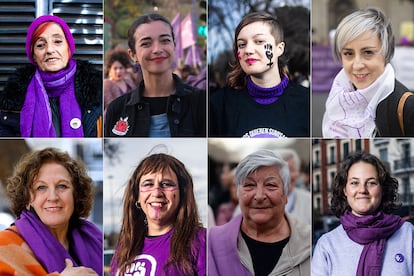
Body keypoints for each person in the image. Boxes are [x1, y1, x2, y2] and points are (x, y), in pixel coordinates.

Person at [0, 147, 102, 275]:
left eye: (62, 186)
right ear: (27, 199)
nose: (53, 197)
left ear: (76, 195)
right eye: (41, 187)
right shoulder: (3, 247)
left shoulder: (96, 238)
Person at [208, 149, 311, 275]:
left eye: (270, 185)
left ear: (285, 195)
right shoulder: (213, 241)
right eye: (250, 185)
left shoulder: (310, 242)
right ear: (238, 193)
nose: (259, 195)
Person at [209, 11, 309, 138]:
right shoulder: (218, 104)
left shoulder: (306, 102)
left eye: (259, 41)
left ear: (279, 48)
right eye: (242, 44)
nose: (248, 50)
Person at [312, 152, 414, 275]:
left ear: (382, 189)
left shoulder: (408, 235)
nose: (362, 190)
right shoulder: (327, 245)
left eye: (371, 182)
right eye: (354, 183)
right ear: (345, 190)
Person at [0, 15, 102, 137]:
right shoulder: (12, 99)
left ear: (68, 48)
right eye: (40, 45)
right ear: (33, 55)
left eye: (58, 42)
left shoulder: (97, 91)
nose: (49, 50)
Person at [105, 13, 206, 137]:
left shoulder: (202, 103)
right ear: (133, 55)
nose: (157, 49)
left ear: (174, 46)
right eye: (146, 43)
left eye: (165, 41)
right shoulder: (116, 109)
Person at [322, 8, 414, 137]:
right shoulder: (338, 95)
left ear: (386, 53)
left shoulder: (407, 108)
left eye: (368, 52)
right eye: (349, 53)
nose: (358, 65)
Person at [111, 153, 206, 275]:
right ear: (137, 196)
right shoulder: (125, 246)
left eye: (166, 184)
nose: (156, 192)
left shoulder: (202, 241)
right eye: (148, 184)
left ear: (182, 193)